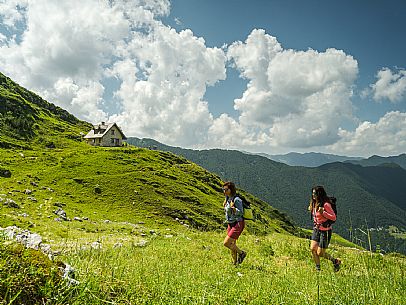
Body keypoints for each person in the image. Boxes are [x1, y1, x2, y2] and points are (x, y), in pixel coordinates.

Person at [309, 185, 341, 271]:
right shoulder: (313, 203)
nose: (313, 195)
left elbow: (333, 217)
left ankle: (335, 261)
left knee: (320, 253)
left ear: (320, 194)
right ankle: (318, 269)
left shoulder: (326, 204)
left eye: (315, 194)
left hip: (325, 231)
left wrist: (324, 213)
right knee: (312, 249)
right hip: (316, 229)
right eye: (312, 194)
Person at [222, 181, 247, 265]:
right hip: (230, 223)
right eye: (223, 189)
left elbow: (241, 212)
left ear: (231, 189)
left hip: (238, 223)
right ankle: (235, 263)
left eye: (226, 189)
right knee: (232, 244)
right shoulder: (227, 198)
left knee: (226, 243)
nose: (224, 191)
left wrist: (233, 208)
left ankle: (242, 253)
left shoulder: (237, 200)